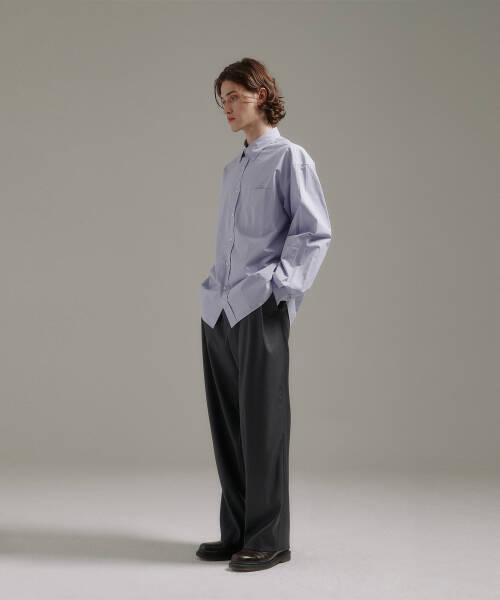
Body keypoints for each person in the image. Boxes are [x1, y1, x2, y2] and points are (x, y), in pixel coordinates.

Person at [197, 57, 332, 572]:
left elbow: (313, 232)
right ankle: (236, 531)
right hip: (219, 308)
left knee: (264, 423)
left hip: (259, 306)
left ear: (262, 95)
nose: (227, 107)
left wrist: (281, 288)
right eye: (223, 99)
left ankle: (269, 537)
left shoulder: (290, 158)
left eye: (235, 96)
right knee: (228, 425)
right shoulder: (233, 169)